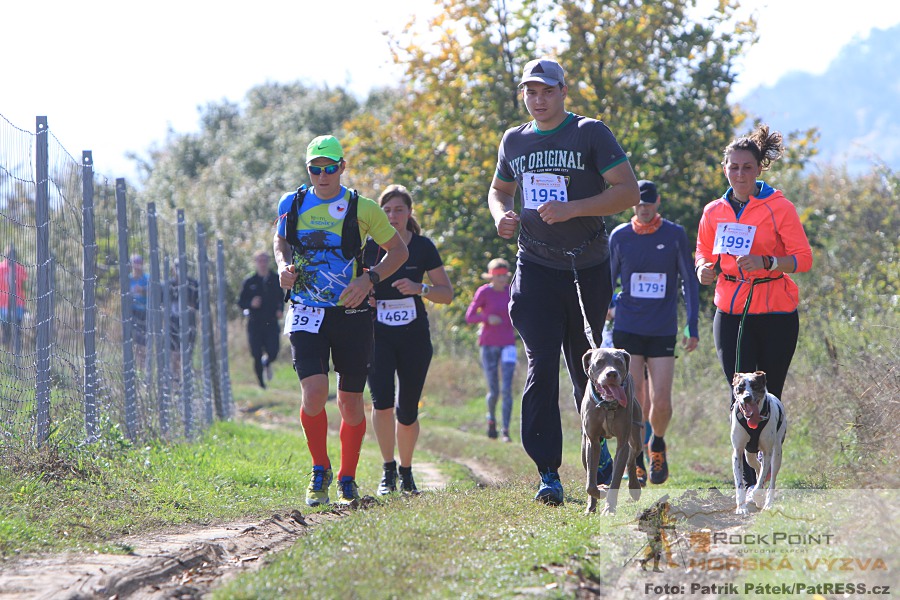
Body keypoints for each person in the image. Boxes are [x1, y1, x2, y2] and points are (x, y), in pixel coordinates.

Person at [487, 58, 640, 505]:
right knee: (540, 366)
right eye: (531, 92)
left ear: (562, 92)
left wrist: (572, 208)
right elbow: (500, 190)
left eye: (547, 91)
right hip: (534, 267)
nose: (539, 100)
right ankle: (548, 472)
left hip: (585, 267)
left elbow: (627, 192)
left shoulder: (590, 132)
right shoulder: (514, 140)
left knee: (583, 365)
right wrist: (502, 216)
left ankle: (602, 448)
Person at [274, 134, 408, 507]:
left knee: (350, 404)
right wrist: (283, 266)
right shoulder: (293, 202)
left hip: (352, 313)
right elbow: (281, 241)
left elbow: (399, 250)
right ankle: (320, 470)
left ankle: (348, 477)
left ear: (342, 168)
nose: (323, 175)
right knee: (314, 394)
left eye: (330, 167)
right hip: (306, 311)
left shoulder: (363, 208)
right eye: (315, 168)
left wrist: (370, 279)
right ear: (308, 170)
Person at [695, 124, 812, 487]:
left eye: (747, 167)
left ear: (759, 169)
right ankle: (746, 478)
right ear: (724, 168)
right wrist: (703, 270)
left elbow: (803, 259)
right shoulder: (714, 210)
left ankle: (767, 474)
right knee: (740, 394)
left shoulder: (779, 206)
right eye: (734, 167)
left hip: (776, 311)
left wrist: (768, 262)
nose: (740, 174)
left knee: (769, 395)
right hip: (731, 311)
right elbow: (702, 250)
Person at [609, 180, 700, 486]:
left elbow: (689, 280)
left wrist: (692, 324)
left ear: (658, 202)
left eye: (648, 203)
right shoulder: (620, 236)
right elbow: (608, 280)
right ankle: (635, 457)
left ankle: (657, 443)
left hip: (662, 329)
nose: (643, 208)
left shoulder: (674, 235)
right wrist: (607, 308)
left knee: (660, 401)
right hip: (628, 328)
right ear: (632, 204)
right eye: (638, 203)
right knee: (634, 399)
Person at [365, 184, 453, 495]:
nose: (392, 216)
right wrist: (368, 298)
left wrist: (421, 289)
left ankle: (407, 470)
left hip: (414, 336)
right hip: (377, 336)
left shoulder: (424, 247)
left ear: (409, 212)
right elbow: (354, 287)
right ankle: (388, 470)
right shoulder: (370, 248)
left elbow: (447, 294)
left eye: (398, 209)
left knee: (408, 408)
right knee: (382, 402)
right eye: (386, 210)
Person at [465, 257, 517, 443]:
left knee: (507, 389)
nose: (502, 279)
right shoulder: (484, 292)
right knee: (494, 390)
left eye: (505, 275)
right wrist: (487, 317)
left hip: (508, 344)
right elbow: (470, 317)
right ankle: (491, 420)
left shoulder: (511, 292)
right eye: (498, 275)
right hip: (488, 345)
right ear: (491, 276)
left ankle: (506, 431)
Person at [237, 251, 284, 388]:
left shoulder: (276, 279)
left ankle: (267, 362)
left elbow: (281, 298)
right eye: (259, 261)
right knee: (256, 354)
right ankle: (261, 384)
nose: (262, 264)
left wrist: (280, 309)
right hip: (255, 323)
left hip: (271, 322)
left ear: (268, 261)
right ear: (255, 262)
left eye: (265, 260)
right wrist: (251, 303)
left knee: (273, 351)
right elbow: (240, 302)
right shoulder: (249, 281)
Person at [168, 259, 200, 379]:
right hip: (173, 323)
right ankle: (176, 378)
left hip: (189, 323)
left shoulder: (193, 284)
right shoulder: (169, 284)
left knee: (187, 353)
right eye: (177, 267)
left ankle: (185, 379)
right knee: (174, 352)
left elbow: (198, 305)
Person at [0, 245, 27, 353]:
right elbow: (24, 285)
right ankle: (12, 353)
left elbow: (23, 285)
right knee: (12, 331)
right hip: (11, 305)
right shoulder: (18, 268)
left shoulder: (4, 268)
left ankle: (11, 354)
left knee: (11, 331)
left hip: (10, 305)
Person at [129, 254, 150, 367]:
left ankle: (143, 366)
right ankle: (137, 366)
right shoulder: (128, 279)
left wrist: (143, 291)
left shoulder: (147, 278)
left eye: (139, 263)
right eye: (135, 263)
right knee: (135, 342)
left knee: (143, 342)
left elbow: (154, 292)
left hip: (145, 313)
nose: (137, 266)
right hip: (132, 313)